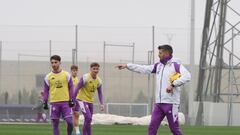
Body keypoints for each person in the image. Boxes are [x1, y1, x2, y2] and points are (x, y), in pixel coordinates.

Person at [116, 45, 191, 135]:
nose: (158, 55)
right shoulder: (158, 66)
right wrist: (127, 66)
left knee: (174, 129)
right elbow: (143, 69)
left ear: (166, 53)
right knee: (152, 127)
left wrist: (173, 84)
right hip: (159, 104)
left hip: (171, 104)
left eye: (160, 53)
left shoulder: (176, 65)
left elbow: (187, 76)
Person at [43, 55, 74, 135]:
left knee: (70, 122)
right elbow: (46, 90)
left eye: (55, 62)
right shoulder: (48, 77)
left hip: (66, 103)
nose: (54, 64)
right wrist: (45, 101)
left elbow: (71, 87)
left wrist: (72, 99)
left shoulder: (66, 75)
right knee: (55, 124)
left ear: (60, 62)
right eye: (52, 63)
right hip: (54, 103)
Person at [74, 62, 104, 135]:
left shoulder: (99, 81)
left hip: (90, 102)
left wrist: (102, 103)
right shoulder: (85, 77)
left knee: (88, 120)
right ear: (90, 69)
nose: (95, 70)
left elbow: (100, 93)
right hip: (81, 100)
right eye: (94, 69)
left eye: (97, 69)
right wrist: (72, 99)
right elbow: (77, 88)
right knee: (88, 118)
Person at [70, 65, 81, 135]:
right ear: (71, 71)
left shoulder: (79, 80)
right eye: (73, 70)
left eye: (76, 70)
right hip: (69, 100)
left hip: (77, 99)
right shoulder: (69, 79)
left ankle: (77, 131)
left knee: (76, 114)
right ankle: (71, 131)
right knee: (69, 116)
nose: (75, 72)